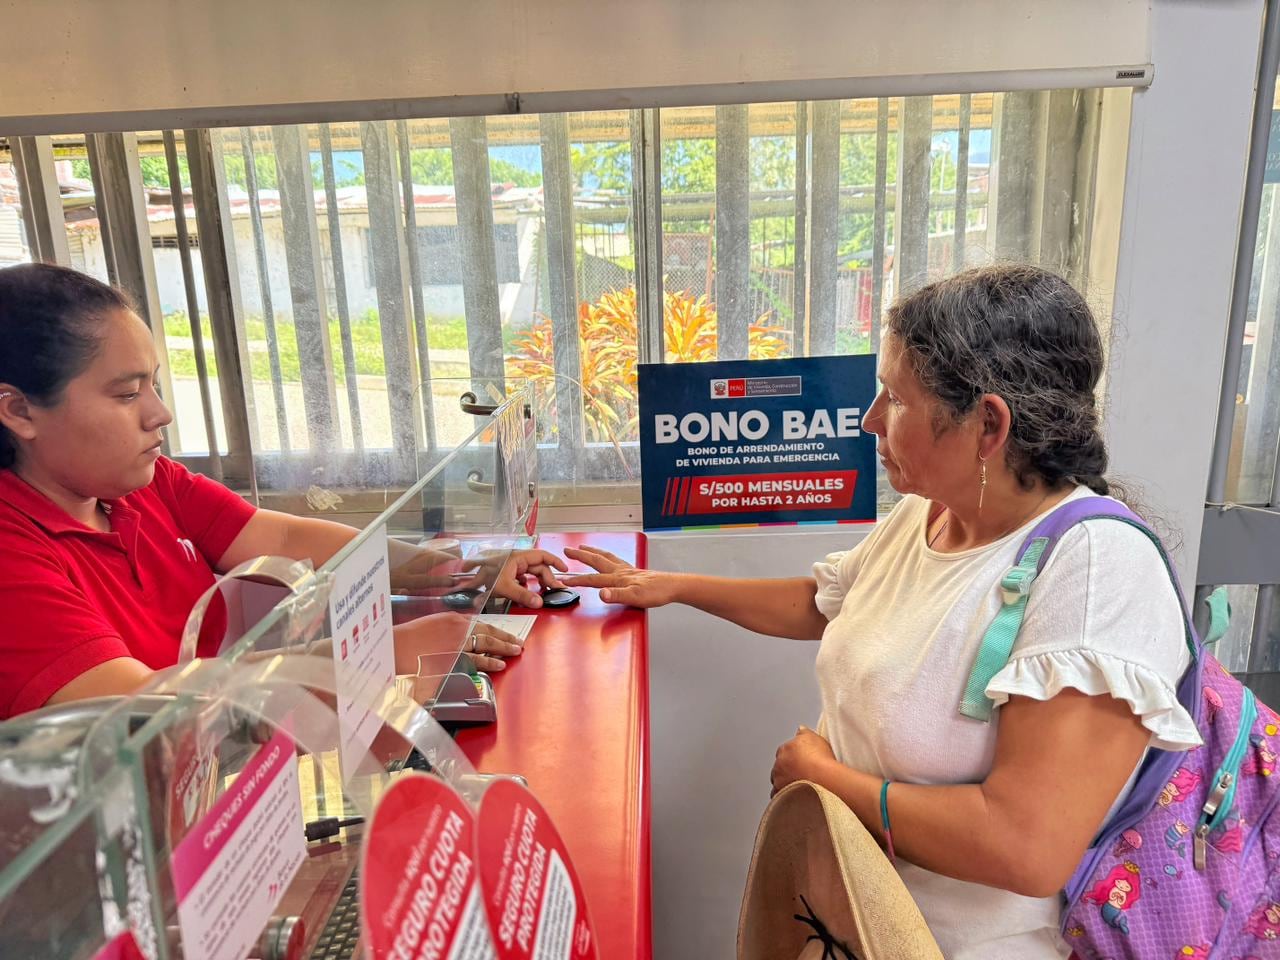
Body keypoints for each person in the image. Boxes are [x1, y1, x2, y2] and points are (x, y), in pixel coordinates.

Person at [561, 265, 1201, 959]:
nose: (869, 420)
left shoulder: (1097, 572)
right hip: (855, 918)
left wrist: (825, 779)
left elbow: (1025, 848)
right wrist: (672, 585)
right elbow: (826, 603)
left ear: (988, 425)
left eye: (895, 398)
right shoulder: (931, 513)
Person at [0, 263, 567, 719]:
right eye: (127, 395)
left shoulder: (144, 485)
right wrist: (366, 657)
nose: (159, 414)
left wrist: (461, 568)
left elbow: (287, 539)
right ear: (20, 411)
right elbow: (136, 711)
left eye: (154, 385)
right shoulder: (12, 553)